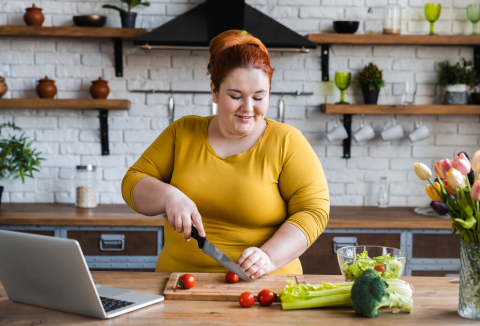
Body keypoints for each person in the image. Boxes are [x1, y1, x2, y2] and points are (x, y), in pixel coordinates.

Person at [122, 30, 330, 280]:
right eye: (235, 96)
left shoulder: (287, 142)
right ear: (214, 91)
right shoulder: (183, 132)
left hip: (265, 286)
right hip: (176, 283)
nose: (248, 107)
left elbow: (314, 211)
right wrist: (169, 196)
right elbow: (133, 181)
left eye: (259, 97)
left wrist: (269, 256)